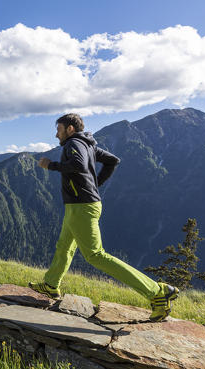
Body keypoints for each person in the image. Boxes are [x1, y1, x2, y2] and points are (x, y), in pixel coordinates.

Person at [30, 113, 178, 322]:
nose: (56, 134)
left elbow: (79, 165)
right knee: (64, 246)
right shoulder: (87, 144)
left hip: (82, 206)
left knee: (96, 255)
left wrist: (51, 165)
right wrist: (95, 184)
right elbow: (112, 161)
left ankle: (157, 292)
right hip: (79, 205)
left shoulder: (73, 144)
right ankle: (51, 285)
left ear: (70, 129)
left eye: (59, 129)